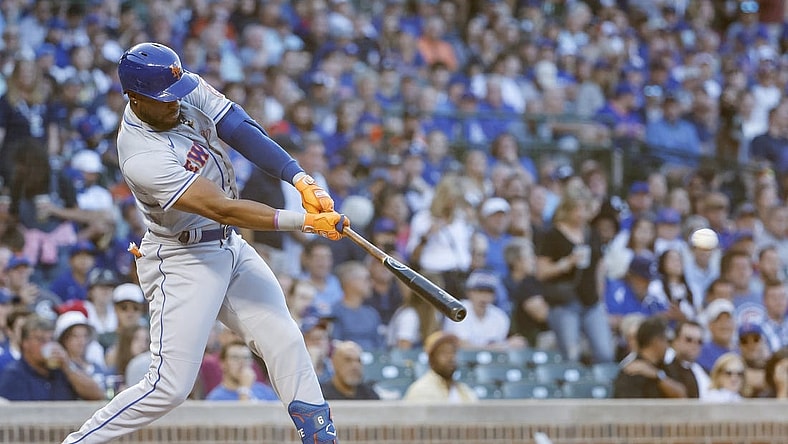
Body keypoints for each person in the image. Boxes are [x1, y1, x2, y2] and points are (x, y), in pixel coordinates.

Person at [62, 43, 347, 444]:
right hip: (183, 255)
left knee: (285, 338)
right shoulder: (140, 153)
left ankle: (321, 438)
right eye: (165, 101)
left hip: (228, 246)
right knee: (169, 386)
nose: (176, 104)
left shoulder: (175, 85)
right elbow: (222, 209)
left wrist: (299, 178)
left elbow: (238, 127)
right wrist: (305, 222)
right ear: (135, 99)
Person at [535, 181, 614, 363]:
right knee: (571, 356)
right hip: (565, 303)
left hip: (591, 301)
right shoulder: (552, 235)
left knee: (605, 353)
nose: (580, 213)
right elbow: (541, 272)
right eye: (575, 208)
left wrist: (600, 297)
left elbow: (599, 267)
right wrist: (566, 263)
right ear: (567, 209)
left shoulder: (592, 233)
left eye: (584, 208)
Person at [0, 314, 104, 401]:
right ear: (25, 343)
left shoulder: (64, 369)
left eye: (51, 339)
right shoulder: (13, 374)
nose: (47, 345)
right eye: (41, 340)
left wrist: (68, 367)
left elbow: (97, 396)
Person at [613, 316, 687, 398]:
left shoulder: (665, 368)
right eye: (666, 340)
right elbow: (629, 406)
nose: (668, 346)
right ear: (656, 341)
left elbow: (681, 395)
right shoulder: (631, 370)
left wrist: (657, 375)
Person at [443, 269, 512, 350]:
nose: (484, 296)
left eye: (489, 292)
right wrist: (505, 345)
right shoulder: (458, 309)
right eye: (480, 291)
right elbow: (461, 345)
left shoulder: (500, 317)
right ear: (469, 292)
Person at [403, 331, 478, 403]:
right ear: (432, 358)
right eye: (444, 353)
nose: (450, 357)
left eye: (453, 352)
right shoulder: (420, 389)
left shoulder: (464, 391)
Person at [205, 339, 278, 401]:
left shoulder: (265, 392)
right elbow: (246, 416)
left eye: (246, 358)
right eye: (235, 358)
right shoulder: (216, 399)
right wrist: (244, 389)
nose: (242, 362)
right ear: (223, 363)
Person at [665, 320, 711, 399]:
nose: (694, 345)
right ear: (675, 341)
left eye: (699, 342)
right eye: (688, 340)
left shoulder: (704, 372)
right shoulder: (665, 370)